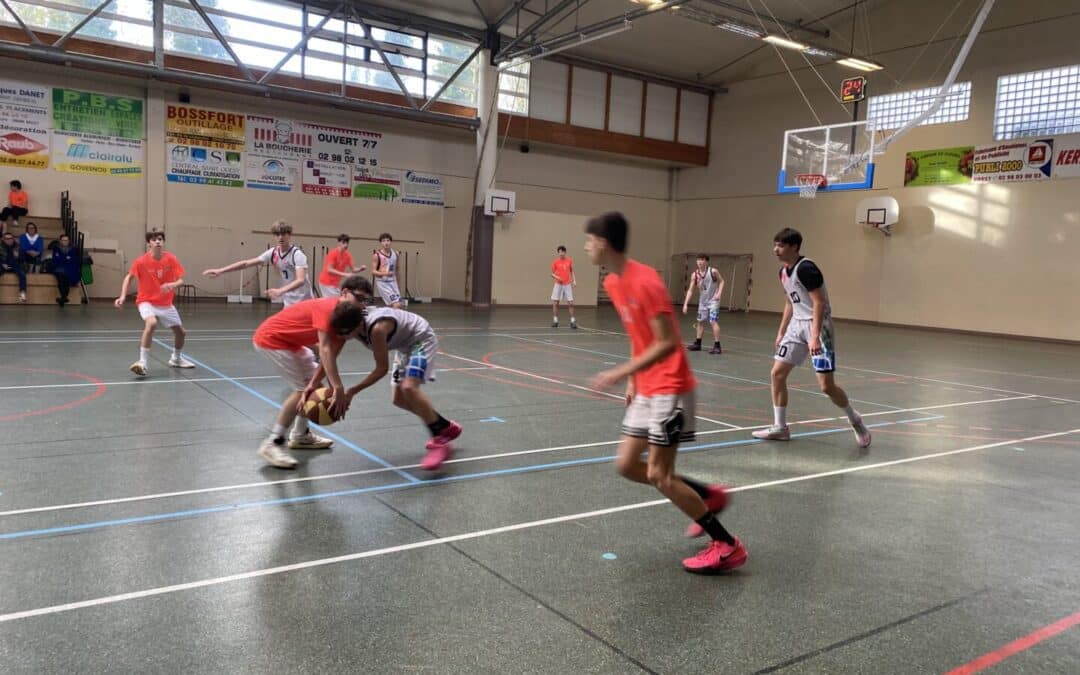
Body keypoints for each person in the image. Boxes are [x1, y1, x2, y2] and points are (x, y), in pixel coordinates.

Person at [583, 212, 746, 574]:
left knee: (659, 474)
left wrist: (618, 373)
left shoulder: (646, 282)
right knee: (626, 465)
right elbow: (637, 336)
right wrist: (632, 380)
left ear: (604, 243)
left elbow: (669, 342)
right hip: (646, 386)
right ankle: (708, 495)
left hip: (670, 387)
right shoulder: (613, 283)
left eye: (589, 240)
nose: (586, 247)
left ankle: (726, 544)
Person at [752, 228, 871, 448]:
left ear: (794, 247)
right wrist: (781, 331)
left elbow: (819, 303)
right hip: (796, 326)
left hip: (818, 326)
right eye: (775, 244)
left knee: (826, 386)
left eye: (780, 245)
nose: (775, 249)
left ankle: (854, 418)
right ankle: (780, 428)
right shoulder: (783, 272)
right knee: (777, 373)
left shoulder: (806, 268)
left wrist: (815, 336)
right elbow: (790, 301)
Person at [324, 281, 461, 471]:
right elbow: (329, 353)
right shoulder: (350, 322)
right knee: (399, 400)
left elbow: (381, 369)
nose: (341, 338)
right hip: (403, 346)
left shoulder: (377, 329)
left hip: (420, 339)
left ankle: (440, 440)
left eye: (344, 334)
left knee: (408, 387)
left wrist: (352, 391)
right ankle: (444, 425)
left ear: (355, 327)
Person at [250, 276, 372, 468]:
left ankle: (300, 435)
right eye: (359, 297)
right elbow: (324, 349)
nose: (362, 304)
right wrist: (337, 387)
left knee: (314, 388)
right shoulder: (328, 309)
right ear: (345, 293)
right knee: (302, 391)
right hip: (272, 340)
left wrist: (327, 384)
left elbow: (328, 359)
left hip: (291, 343)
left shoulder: (347, 321)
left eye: (366, 300)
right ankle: (273, 443)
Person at [114, 230, 195, 377]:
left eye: (160, 239)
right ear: (149, 243)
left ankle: (176, 359)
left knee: (181, 333)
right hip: (147, 301)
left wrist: (171, 285)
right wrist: (122, 296)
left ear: (163, 242)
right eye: (153, 239)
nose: (157, 241)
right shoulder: (141, 261)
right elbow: (129, 278)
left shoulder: (171, 259)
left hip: (166, 303)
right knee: (151, 324)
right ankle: (142, 362)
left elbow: (181, 280)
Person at [203, 220, 313, 306]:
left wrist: (280, 291)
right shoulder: (273, 252)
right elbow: (246, 263)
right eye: (277, 234)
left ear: (289, 235)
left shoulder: (297, 254)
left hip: (304, 300)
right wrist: (220, 271)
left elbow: (300, 280)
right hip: (289, 301)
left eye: (284, 234)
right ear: (274, 236)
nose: (280, 237)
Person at [682, 254, 724, 354]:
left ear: (706, 261)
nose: (699, 262)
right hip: (703, 301)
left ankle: (717, 346)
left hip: (713, 301)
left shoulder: (713, 271)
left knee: (713, 321)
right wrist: (685, 304)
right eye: (698, 260)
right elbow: (690, 290)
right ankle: (698, 343)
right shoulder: (695, 275)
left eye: (702, 260)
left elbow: (722, 281)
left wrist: (719, 294)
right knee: (700, 321)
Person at [318, 233, 365, 298]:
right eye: (343, 242)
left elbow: (353, 269)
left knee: (334, 301)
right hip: (326, 282)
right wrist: (345, 274)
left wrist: (360, 269)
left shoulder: (347, 255)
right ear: (339, 243)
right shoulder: (333, 253)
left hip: (335, 283)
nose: (346, 245)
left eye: (347, 243)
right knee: (335, 302)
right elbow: (329, 269)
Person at [370, 232, 403, 308]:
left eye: (388, 240)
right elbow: (373, 271)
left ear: (391, 242)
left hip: (393, 282)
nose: (386, 243)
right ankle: (392, 319)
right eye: (384, 241)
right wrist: (385, 273)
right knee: (396, 304)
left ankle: (387, 317)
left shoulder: (396, 254)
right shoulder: (377, 255)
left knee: (400, 304)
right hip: (383, 283)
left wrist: (398, 283)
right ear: (381, 242)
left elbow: (397, 269)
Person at [550, 245, 577, 329]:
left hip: (567, 284)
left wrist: (574, 280)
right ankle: (555, 321)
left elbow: (571, 271)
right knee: (555, 303)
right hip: (558, 285)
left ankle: (573, 321)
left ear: (565, 252)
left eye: (562, 252)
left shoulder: (569, 261)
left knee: (571, 303)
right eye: (559, 252)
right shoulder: (555, 262)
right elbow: (552, 274)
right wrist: (557, 277)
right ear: (558, 253)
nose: (561, 253)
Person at [51, 233, 81, 306]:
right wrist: (66, 258)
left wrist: (63, 258)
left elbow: (74, 259)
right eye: (63, 240)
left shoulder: (73, 249)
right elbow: (56, 259)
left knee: (67, 276)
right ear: (60, 241)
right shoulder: (56, 248)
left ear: (69, 241)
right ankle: (64, 297)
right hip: (59, 267)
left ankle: (63, 298)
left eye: (66, 240)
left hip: (71, 267)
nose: (65, 241)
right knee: (61, 277)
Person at [0, 231, 26, 302]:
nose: (9, 240)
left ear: (13, 239)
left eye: (10, 238)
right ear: (3, 239)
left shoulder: (18, 247)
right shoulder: (0, 247)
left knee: (22, 274)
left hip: (15, 266)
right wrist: (2, 263)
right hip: (3, 265)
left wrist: (18, 256)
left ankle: (22, 293)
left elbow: (23, 259)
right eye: (7, 239)